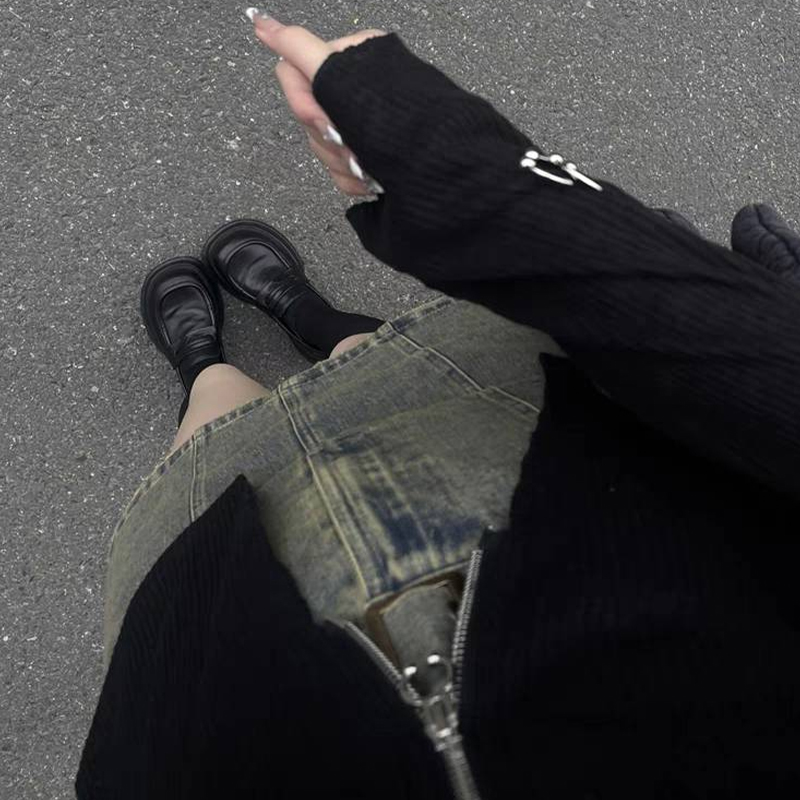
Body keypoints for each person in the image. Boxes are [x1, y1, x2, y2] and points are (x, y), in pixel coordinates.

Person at [76, 14, 800, 799]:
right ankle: (314, 321)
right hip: (567, 458)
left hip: (210, 642)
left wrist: (475, 176)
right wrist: (476, 180)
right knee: (378, 361)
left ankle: (206, 363)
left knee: (217, 428)